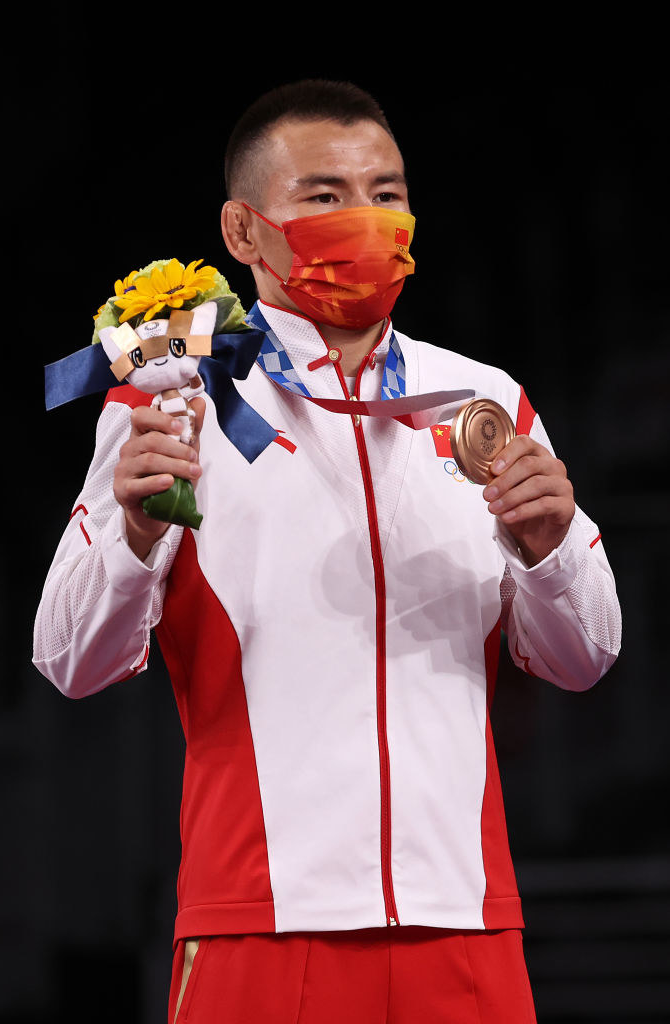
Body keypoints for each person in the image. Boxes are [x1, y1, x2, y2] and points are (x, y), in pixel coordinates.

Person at [33, 80, 621, 1023]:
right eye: (324, 196)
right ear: (242, 230)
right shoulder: (172, 393)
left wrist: (549, 549)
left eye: (386, 194)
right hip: (257, 921)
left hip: (462, 923)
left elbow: (584, 657)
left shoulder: (483, 399)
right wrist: (136, 534)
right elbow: (69, 662)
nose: (367, 220)